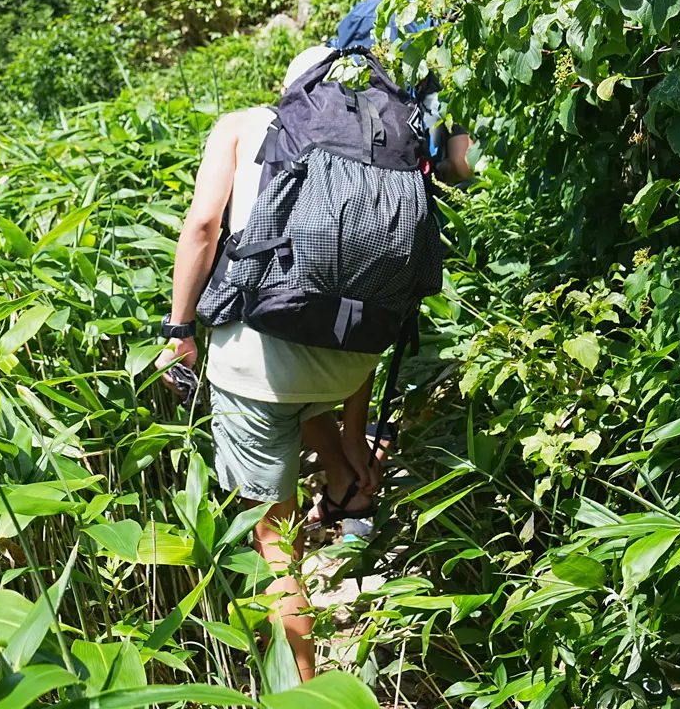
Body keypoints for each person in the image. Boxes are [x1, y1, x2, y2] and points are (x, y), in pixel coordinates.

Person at [158, 44, 473, 681]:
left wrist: (179, 329)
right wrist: (441, 109)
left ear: (294, 85)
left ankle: (304, 687)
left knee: (273, 541)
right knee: (309, 401)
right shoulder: (391, 132)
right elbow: (464, 165)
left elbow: (201, 228)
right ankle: (349, 489)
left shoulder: (247, 125)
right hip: (352, 359)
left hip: (257, 359)